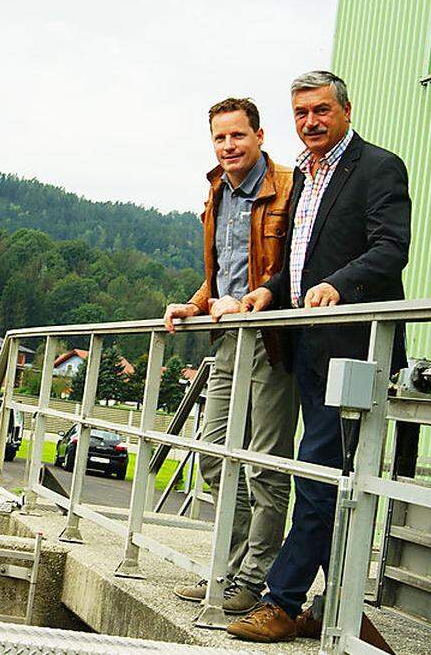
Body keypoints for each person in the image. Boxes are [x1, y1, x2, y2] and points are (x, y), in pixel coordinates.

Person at [227, 71, 408, 651]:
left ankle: (280, 603)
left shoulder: (378, 167)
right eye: (301, 112)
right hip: (308, 346)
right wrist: (269, 290)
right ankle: (336, 608)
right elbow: (300, 262)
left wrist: (336, 285)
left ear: (346, 111)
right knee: (323, 477)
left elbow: (390, 249)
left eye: (321, 110)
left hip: (355, 348)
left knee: (318, 473)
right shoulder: (306, 175)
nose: (311, 121)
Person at [162, 97, 299, 614]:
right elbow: (223, 272)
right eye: (220, 138)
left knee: (264, 466)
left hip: (270, 338)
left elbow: (291, 267)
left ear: (260, 136)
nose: (228, 146)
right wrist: (194, 304)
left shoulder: (289, 187)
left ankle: (254, 579)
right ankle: (229, 571)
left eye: (237, 136)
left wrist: (253, 299)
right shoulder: (217, 190)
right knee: (215, 456)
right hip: (226, 339)